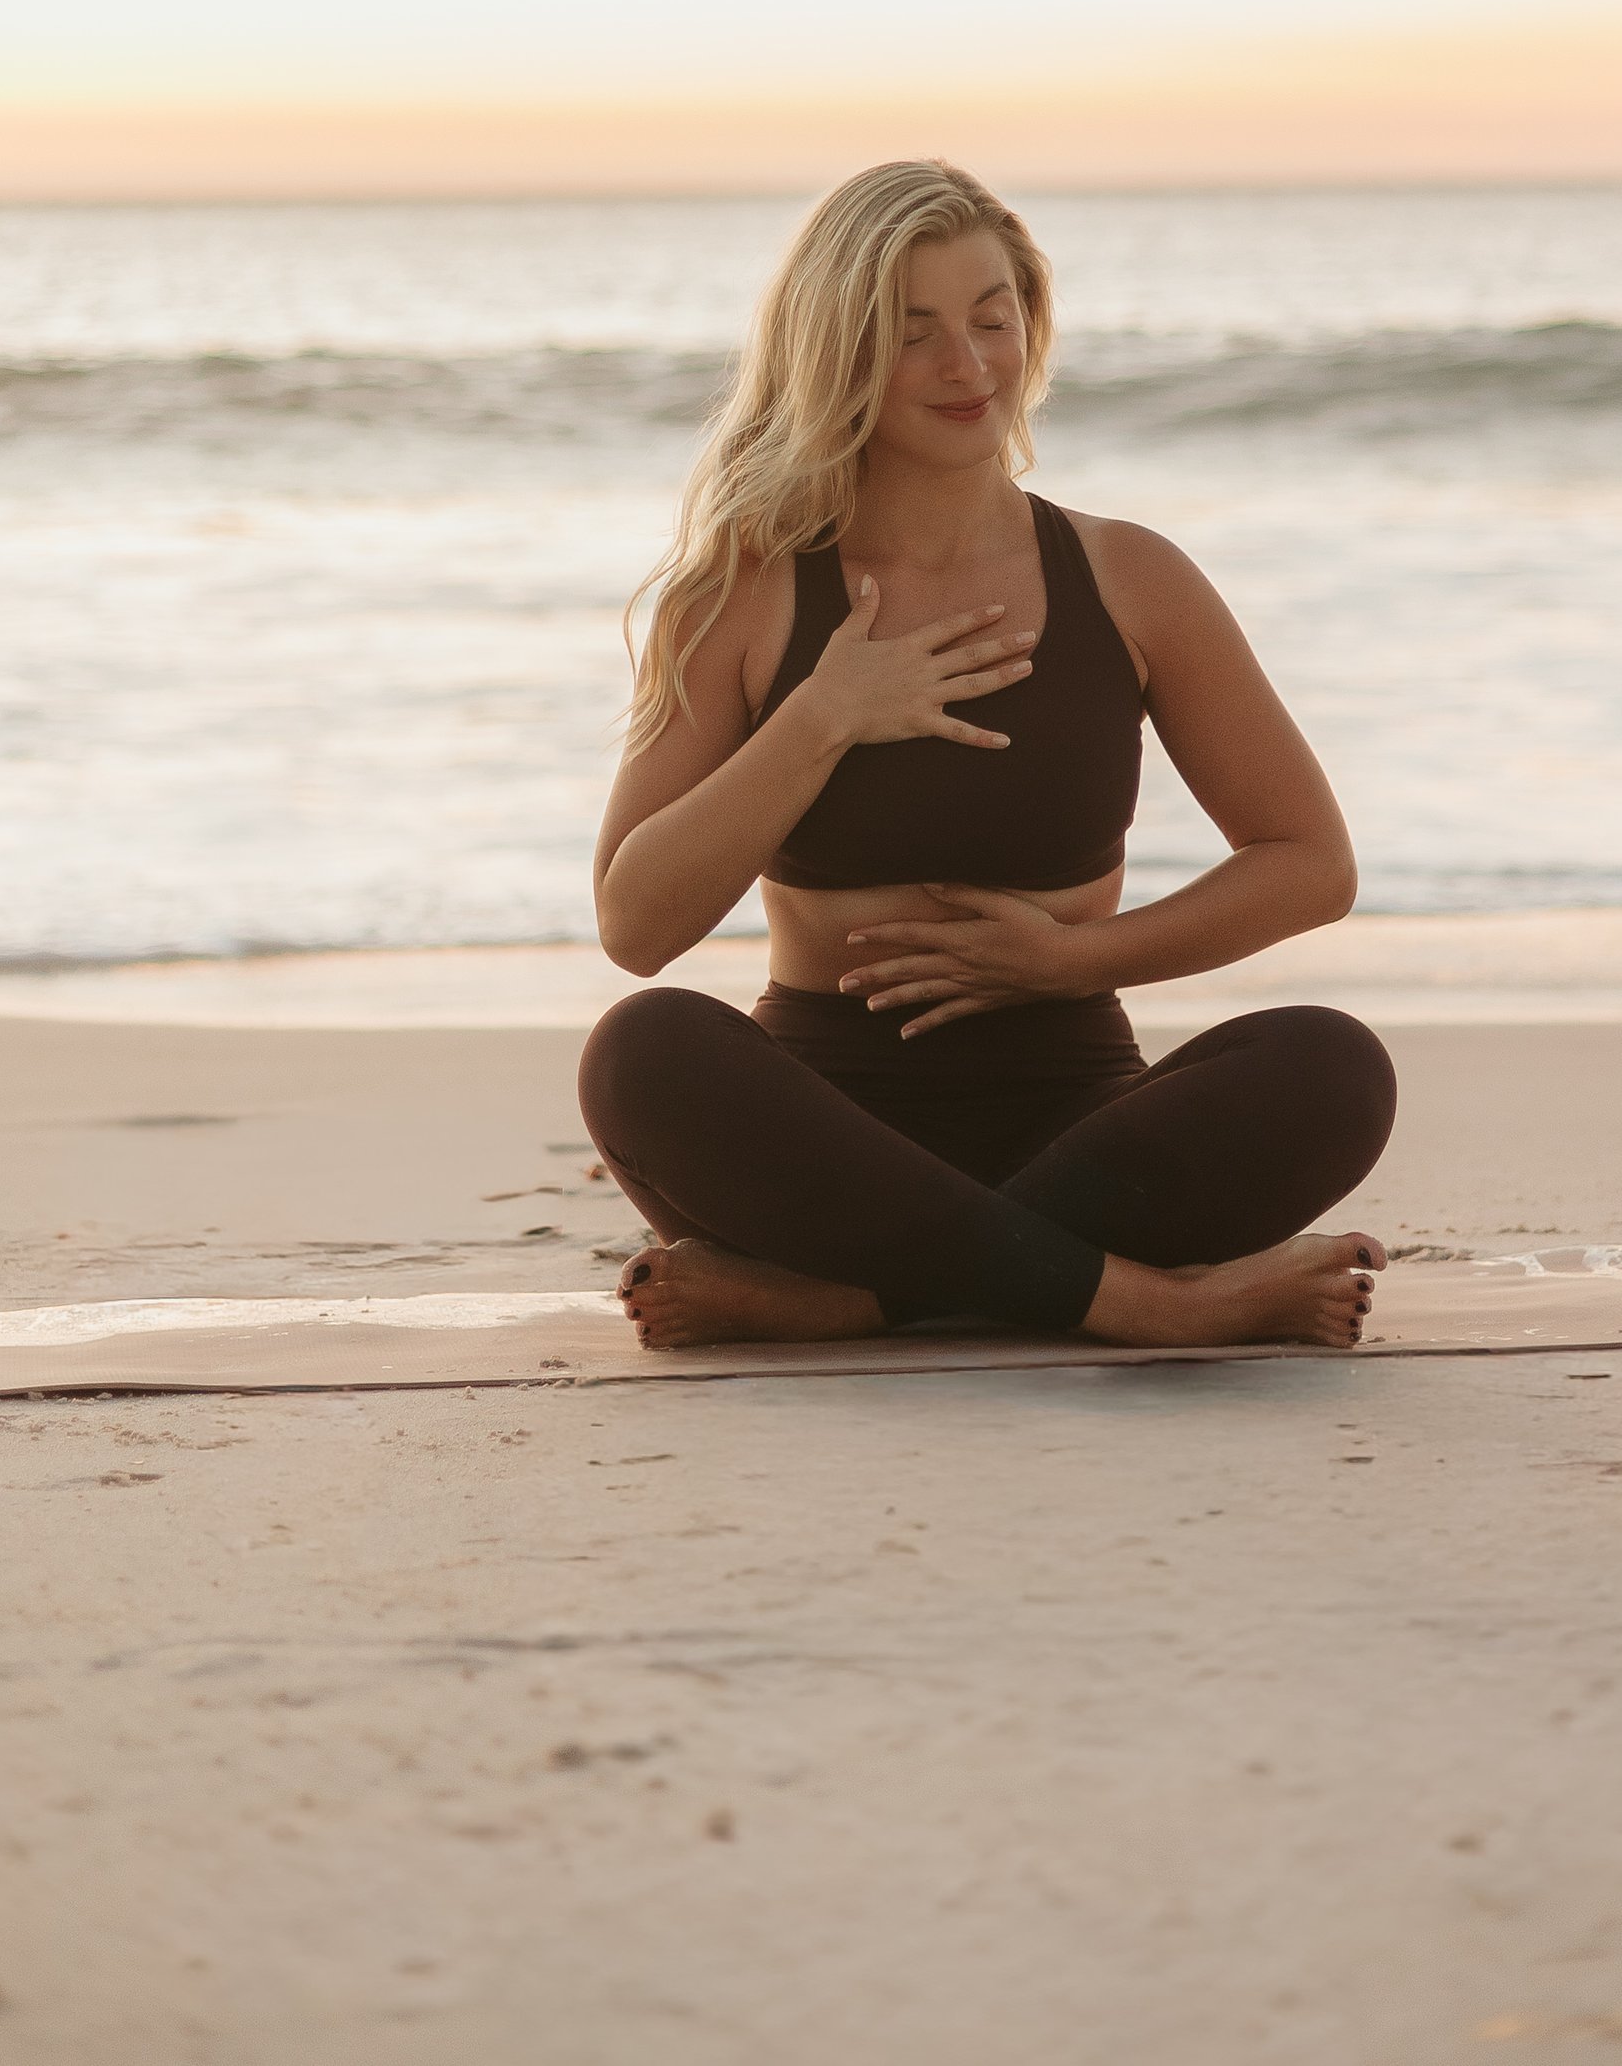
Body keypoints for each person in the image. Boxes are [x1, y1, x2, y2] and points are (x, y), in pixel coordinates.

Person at [581, 159, 1394, 1351]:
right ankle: (1145, 1303)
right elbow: (636, 925)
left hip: (1084, 1122)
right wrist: (823, 716)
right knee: (641, 1054)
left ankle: (858, 1300)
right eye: (912, 334)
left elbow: (1309, 863)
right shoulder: (741, 595)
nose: (967, 368)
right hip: (821, 1135)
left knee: (1331, 1064)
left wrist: (1076, 961)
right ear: (837, 351)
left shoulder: (1131, 578)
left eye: (990, 318)